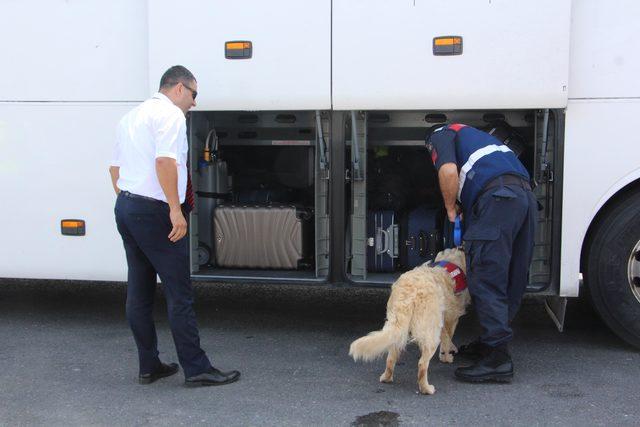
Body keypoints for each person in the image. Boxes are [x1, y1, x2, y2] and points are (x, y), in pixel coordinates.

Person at [109, 65, 240, 387]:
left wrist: (132, 200)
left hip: (127, 206)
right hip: (155, 212)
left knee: (139, 292)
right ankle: (196, 369)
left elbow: (114, 168)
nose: (194, 103)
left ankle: (149, 365)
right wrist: (174, 211)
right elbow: (165, 162)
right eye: (194, 94)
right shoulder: (169, 116)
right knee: (179, 294)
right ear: (179, 88)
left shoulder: (131, 117)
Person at [425, 123, 537, 382]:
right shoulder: (481, 139)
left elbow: (448, 170)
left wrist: (451, 209)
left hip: (498, 198)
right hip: (524, 198)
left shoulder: (440, 134)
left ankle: (498, 359)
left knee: (486, 275)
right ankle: (490, 344)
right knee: (511, 276)